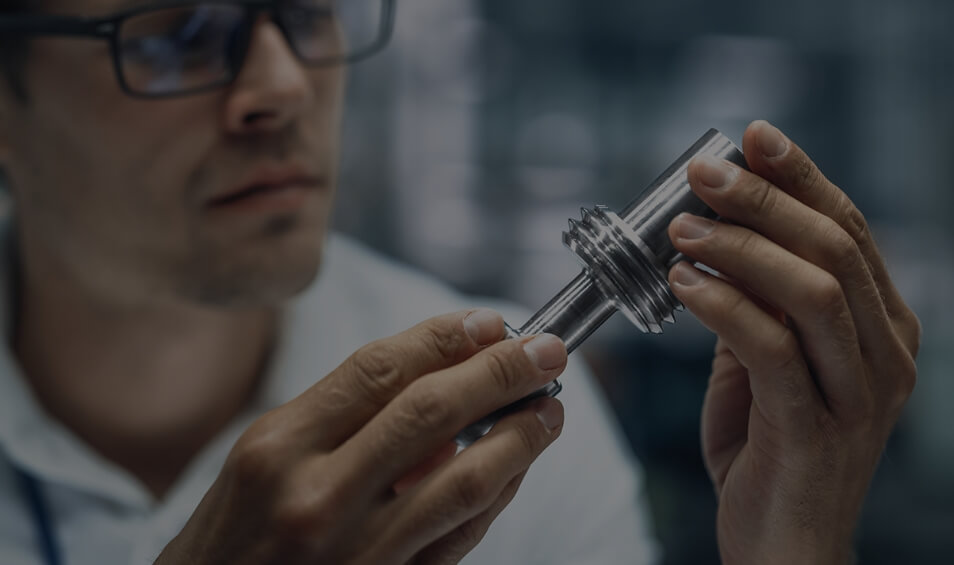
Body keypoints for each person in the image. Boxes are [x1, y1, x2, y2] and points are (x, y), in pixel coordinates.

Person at [0, 1, 921, 564]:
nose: (280, 86)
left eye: (307, 11)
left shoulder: (539, 462)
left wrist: (795, 550)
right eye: (177, 35)